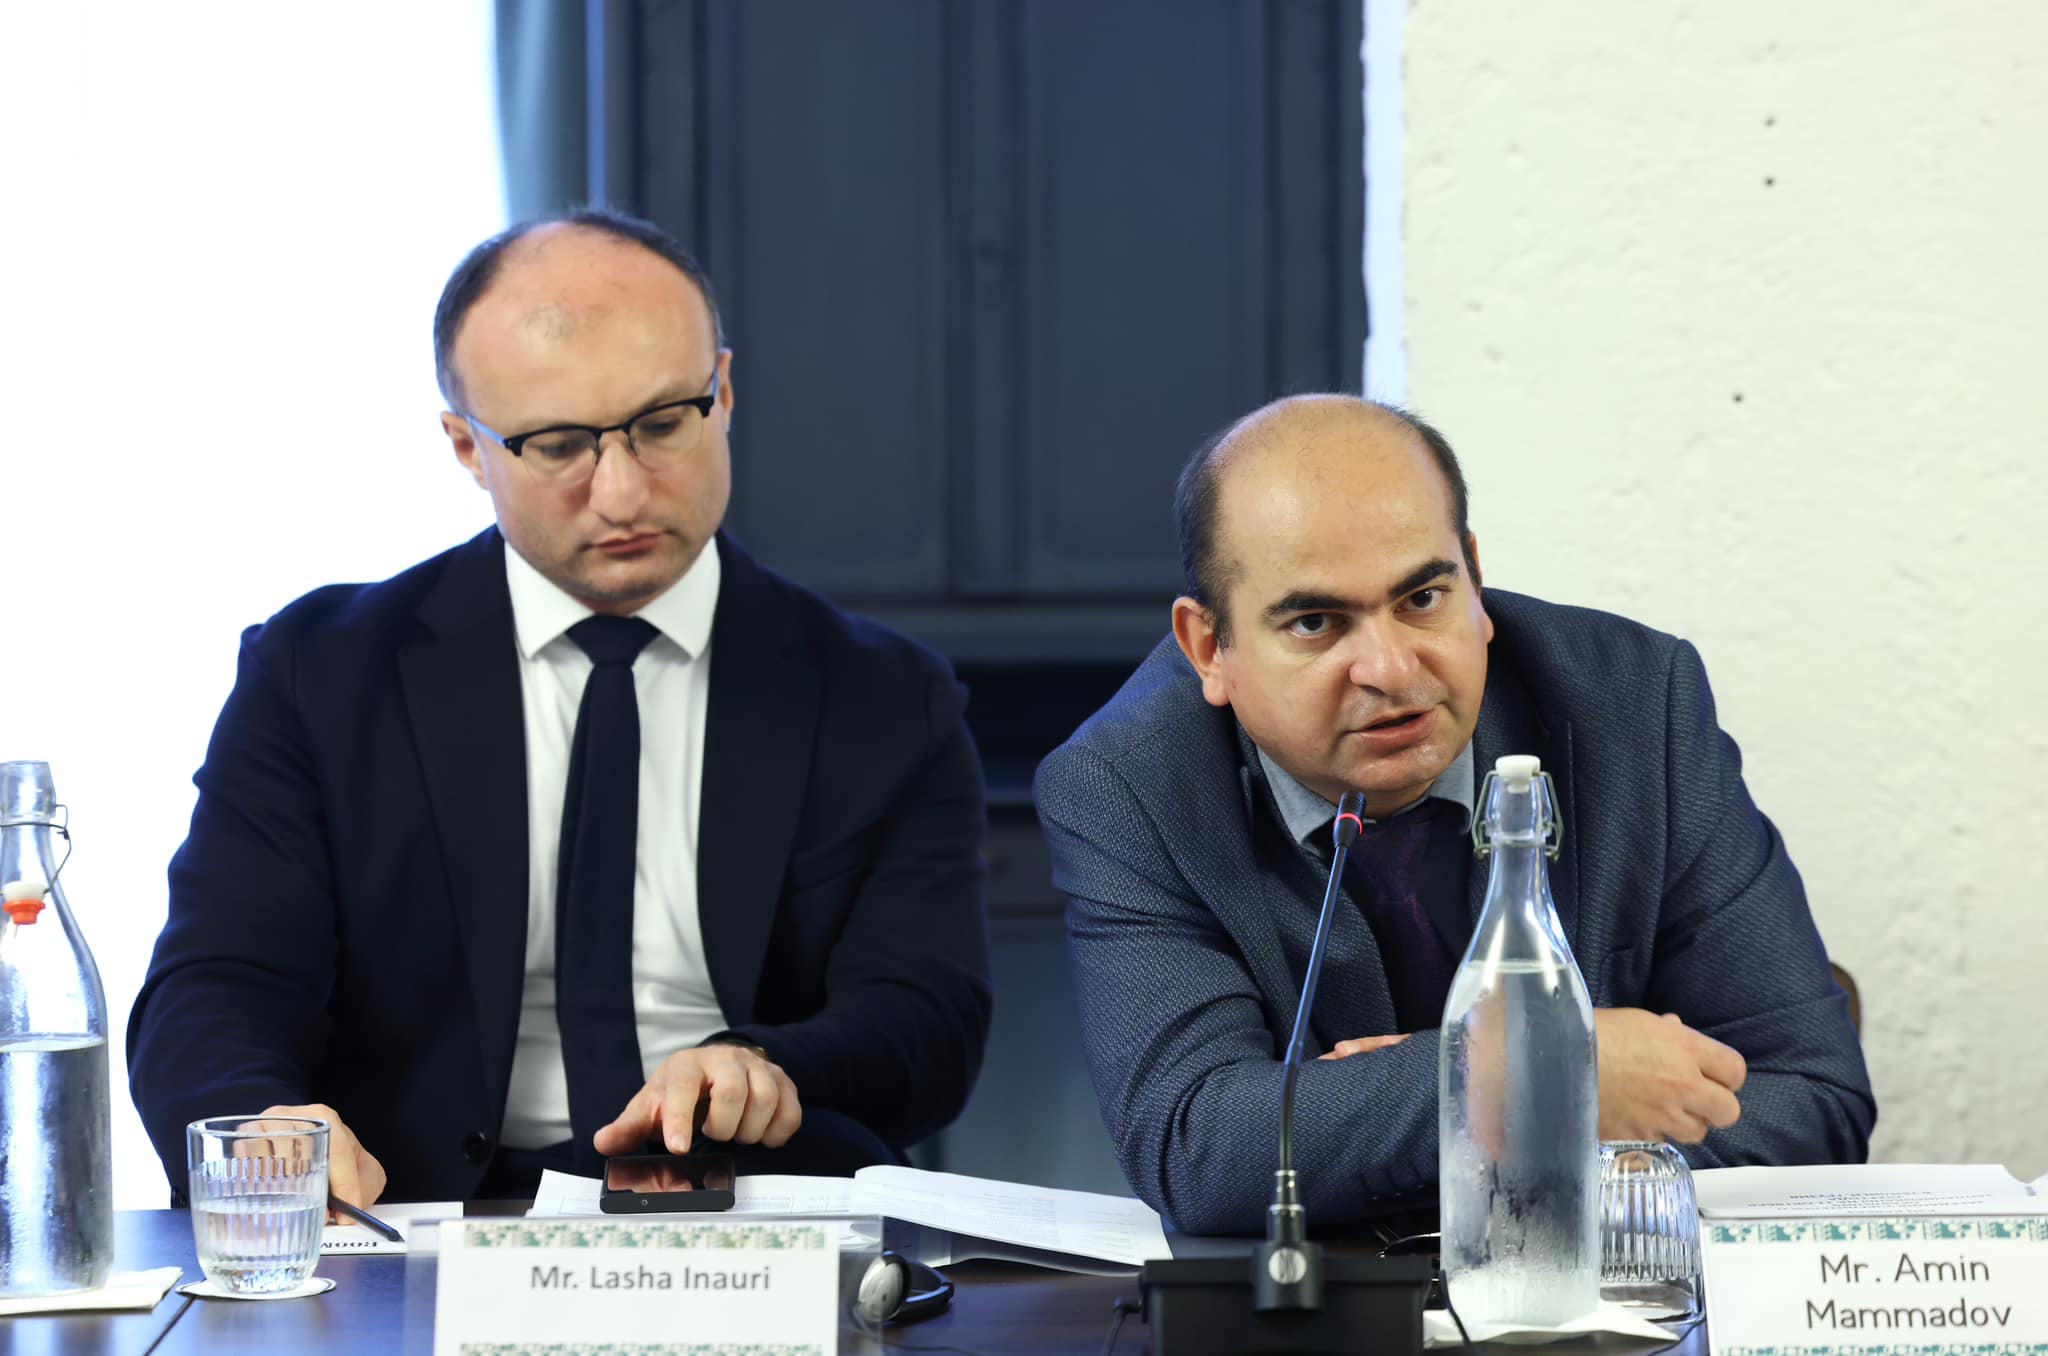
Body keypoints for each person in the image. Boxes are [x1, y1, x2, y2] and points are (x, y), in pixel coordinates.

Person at [129, 210, 993, 1206]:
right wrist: (261, 1126)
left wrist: (764, 1066)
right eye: (557, 445)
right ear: (467, 446)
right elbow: (217, 982)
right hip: (409, 1215)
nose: (621, 494)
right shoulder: (318, 674)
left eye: (662, 424)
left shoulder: (884, 696)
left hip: (744, 1205)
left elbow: (927, 1017)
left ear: (722, 392)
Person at [1034, 394, 1874, 1234]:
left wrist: (1400, 1106)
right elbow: (1199, 1150)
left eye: (1424, 598)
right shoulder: (1129, 786)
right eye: (1317, 622)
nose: (1391, 669)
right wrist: (1523, 1079)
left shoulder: (1633, 705)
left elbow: (1813, 1101)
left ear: (1473, 575)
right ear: (1207, 647)